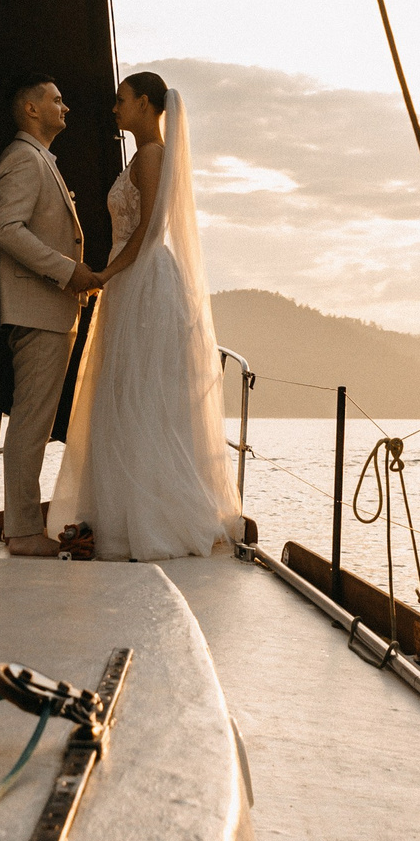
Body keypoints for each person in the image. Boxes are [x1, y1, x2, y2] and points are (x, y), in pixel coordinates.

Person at [49, 72, 242, 562]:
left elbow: (151, 227)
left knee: (138, 392)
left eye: (121, 100)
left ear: (146, 103)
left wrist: (106, 274)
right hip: (132, 278)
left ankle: (149, 518)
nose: (114, 108)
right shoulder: (143, 155)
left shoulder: (152, 154)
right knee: (128, 392)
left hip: (141, 277)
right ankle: (124, 513)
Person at [0, 75, 100, 558]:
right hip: (38, 310)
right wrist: (67, 272)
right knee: (31, 424)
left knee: (34, 421)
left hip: (51, 311)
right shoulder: (22, 159)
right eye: (57, 99)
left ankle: (24, 526)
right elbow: (7, 230)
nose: (66, 106)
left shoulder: (40, 161)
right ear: (31, 109)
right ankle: (21, 531)